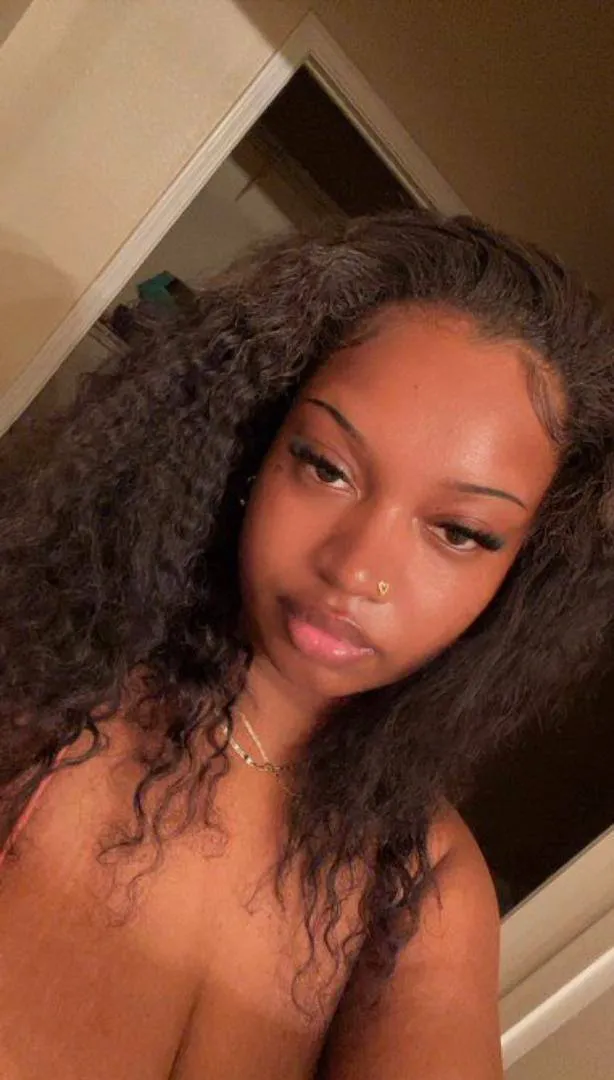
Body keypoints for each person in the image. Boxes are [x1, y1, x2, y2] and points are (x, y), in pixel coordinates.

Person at [0, 209, 612, 1080]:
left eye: (459, 532)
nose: (357, 568)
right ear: (255, 446)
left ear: (518, 580)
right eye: (327, 467)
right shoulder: (40, 682)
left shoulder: (422, 879)